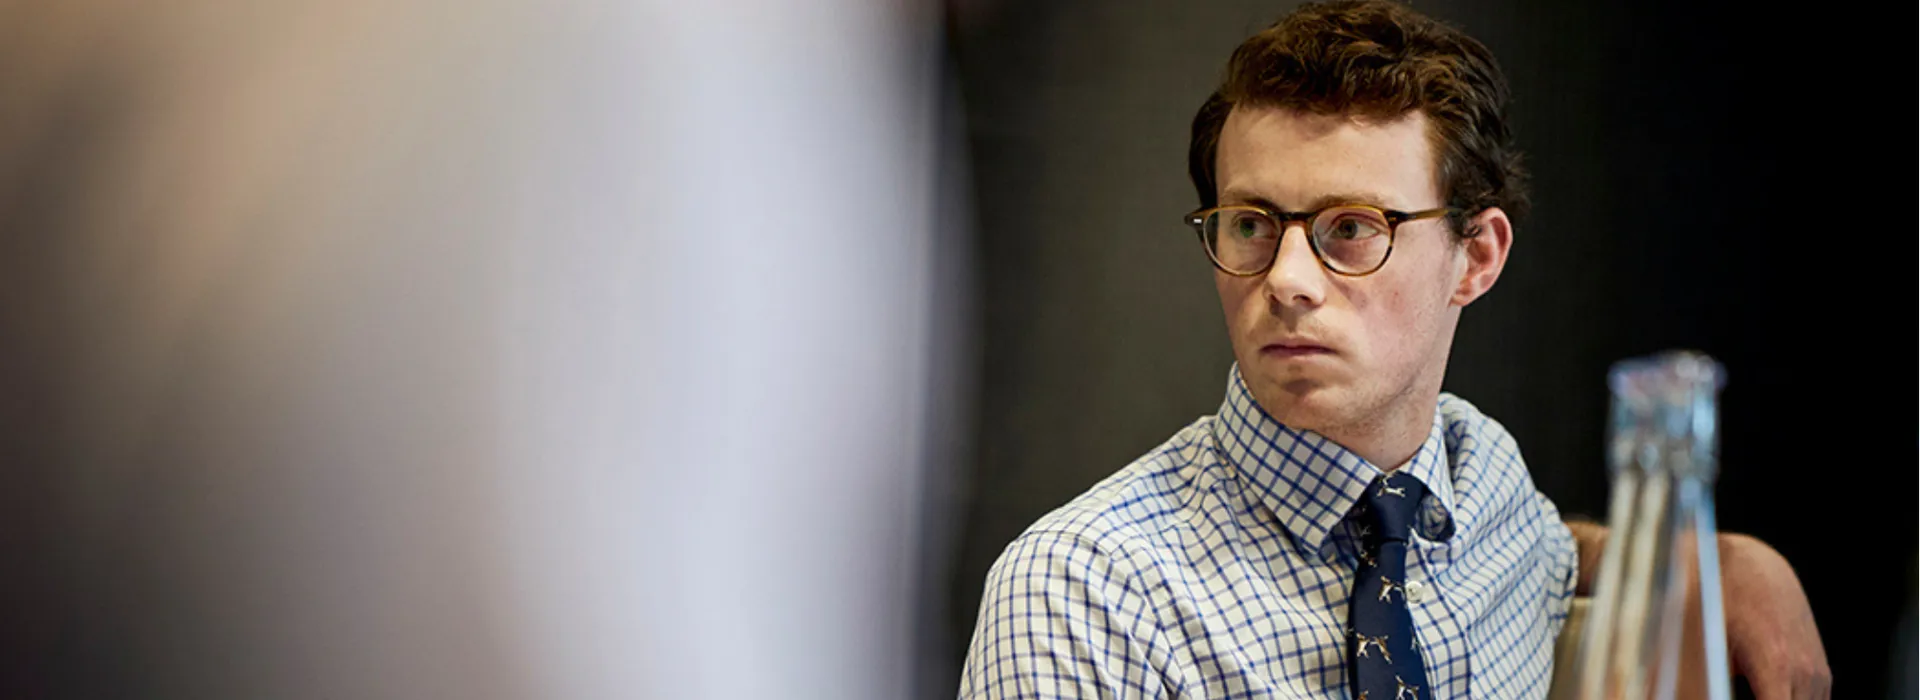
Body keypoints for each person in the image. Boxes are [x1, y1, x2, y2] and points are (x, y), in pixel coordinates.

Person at [956, 1, 1830, 698]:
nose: (1289, 278)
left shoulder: (1482, 476)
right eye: (1253, 224)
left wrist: (1725, 559)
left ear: (1476, 258)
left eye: (1350, 228)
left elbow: (1545, 544)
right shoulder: (1084, 593)